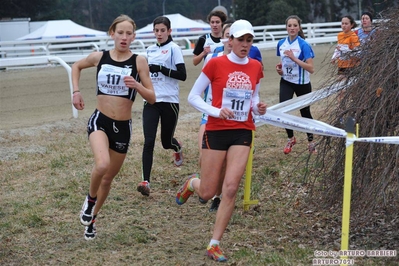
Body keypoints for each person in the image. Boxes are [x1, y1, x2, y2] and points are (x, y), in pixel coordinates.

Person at [176, 19, 267, 262]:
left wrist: (259, 108)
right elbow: (193, 97)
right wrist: (216, 112)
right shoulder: (215, 63)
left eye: (249, 40)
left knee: (230, 188)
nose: (245, 44)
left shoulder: (256, 66)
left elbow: (254, 100)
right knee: (208, 191)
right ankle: (191, 184)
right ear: (230, 41)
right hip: (216, 130)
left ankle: (214, 243)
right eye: (241, 40)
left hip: (242, 131)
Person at [72, 14, 155, 240]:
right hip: (100, 120)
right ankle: (89, 201)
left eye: (129, 33)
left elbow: (153, 97)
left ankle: (93, 219)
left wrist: (137, 85)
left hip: (123, 126)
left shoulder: (139, 61)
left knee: (108, 179)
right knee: (102, 165)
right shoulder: (100, 57)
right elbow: (76, 66)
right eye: (120, 33)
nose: (124, 37)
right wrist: (76, 91)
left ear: (134, 36)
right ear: (112, 34)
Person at [137, 16, 187, 197]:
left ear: (169, 31)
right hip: (151, 101)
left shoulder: (174, 49)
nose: (159, 34)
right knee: (148, 140)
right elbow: (142, 75)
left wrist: (161, 69)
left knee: (166, 142)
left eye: (162, 30)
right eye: (156, 30)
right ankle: (145, 181)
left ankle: (177, 148)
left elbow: (183, 75)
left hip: (170, 102)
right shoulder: (148, 51)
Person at [197, 23, 233, 212]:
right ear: (224, 38)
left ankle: (217, 197)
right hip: (209, 114)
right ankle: (200, 185)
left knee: (225, 161)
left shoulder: (243, 60)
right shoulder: (212, 57)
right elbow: (199, 88)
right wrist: (208, 106)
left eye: (232, 35)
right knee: (204, 157)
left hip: (231, 119)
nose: (229, 39)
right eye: (227, 35)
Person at [275, 15, 316, 154]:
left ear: (299, 27)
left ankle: (311, 142)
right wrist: (280, 70)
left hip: (302, 83)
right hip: (286, 81)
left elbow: (311, 68)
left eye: (294, 25)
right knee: (283, 110)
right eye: (289, 25)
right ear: (286, 27)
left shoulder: (303, 45)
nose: (292, 28)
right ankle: (291, 138)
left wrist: (294, 58)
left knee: (305, 113)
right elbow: (285, 65)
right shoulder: (281, 43)